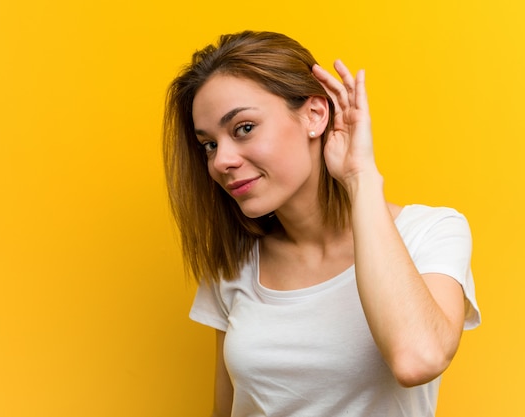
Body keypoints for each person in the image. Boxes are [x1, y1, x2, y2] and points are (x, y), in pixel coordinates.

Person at [162, 30, 480, 417]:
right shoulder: (237, 262)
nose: (221, 161)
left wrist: (360, 177)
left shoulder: (430, 232)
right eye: (209, 145)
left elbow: (417, 358)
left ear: (314, 115)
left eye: (243, 128)